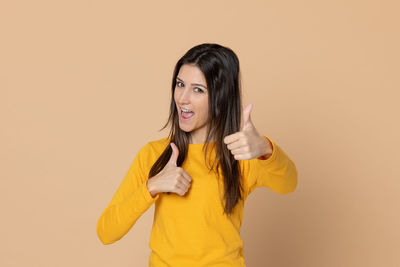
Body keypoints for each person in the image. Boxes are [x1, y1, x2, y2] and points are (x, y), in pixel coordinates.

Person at [96, 43, 298, 266]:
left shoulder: (241, 154)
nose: (182, 98)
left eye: (197, 89)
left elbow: (288, 183)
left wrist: (265, 148)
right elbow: (107, 232)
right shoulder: (154, 154)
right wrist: (151, 186)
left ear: (221, 97)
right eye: (180, 84)